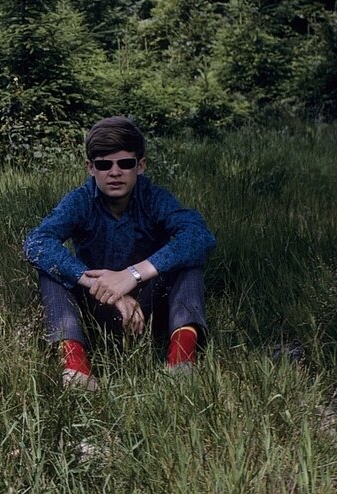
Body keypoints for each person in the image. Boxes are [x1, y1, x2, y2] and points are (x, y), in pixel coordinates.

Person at [23, 116, 216, 390]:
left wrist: (131, 275)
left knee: (189, 261)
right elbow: (36, 243)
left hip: (151, 306)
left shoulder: (154, 198)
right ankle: (75, 367)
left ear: (141, 165)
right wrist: (100, 284)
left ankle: (181, 361)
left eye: (125, 163)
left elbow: (200, 236)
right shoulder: (79, 201)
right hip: (96, 304)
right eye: (104, 165)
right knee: (51, 272)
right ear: (91, 168)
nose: (115, 172)